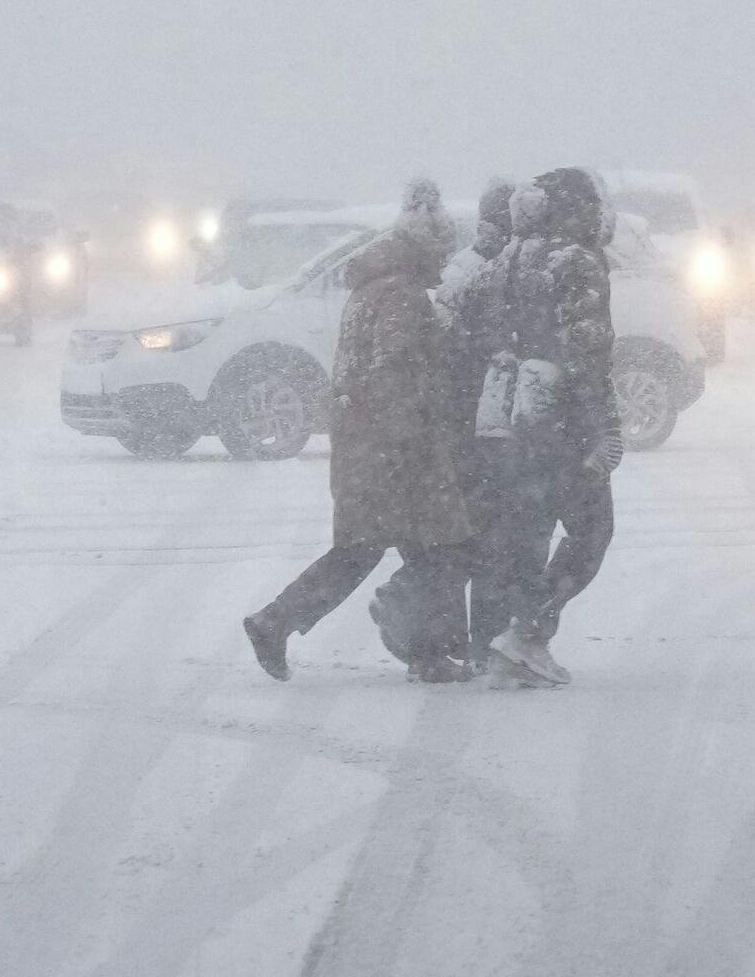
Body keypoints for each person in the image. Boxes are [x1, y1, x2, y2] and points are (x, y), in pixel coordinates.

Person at [242, 180, 476, 683]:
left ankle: (426, 652)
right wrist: (413, 442)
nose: (445, 264)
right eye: (442, 252)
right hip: (396, 453)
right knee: (437, 550)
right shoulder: (403, 296)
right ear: (426, 247)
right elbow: (395, 375)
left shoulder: (373, 288)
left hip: (366, 448)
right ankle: (278, 622)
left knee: (387, 550)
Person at [449, 167, 625, 686]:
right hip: (561, 421)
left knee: (523, 533)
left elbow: (471, 324)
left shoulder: (511, 256)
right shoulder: (577, 261)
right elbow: (586, 351)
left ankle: (497, 644)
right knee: (592, 529)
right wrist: (605, 428)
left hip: (507, 418)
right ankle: (527, 635)